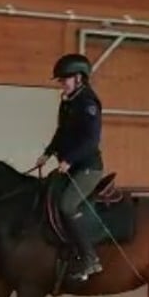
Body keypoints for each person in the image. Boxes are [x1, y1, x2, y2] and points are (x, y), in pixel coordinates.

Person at [36, 52, 105, 281]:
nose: (61, 84)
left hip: (87, 168)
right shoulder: (68, 102)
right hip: (69, 165)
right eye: (61, 80)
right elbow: (62, 132)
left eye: (64, 80)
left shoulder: (88, 103)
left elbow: (90, 141)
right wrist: (48, 153)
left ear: (78, 78)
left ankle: (89, 258)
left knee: (66, 205)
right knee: (46, 193)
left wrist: (70, 160)